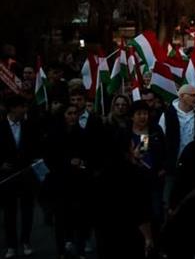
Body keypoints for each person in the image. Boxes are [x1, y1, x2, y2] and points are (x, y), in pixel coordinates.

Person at [42, 103, 94, 258]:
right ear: (63, 115)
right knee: (61, 219)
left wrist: (82, 162)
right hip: (60, 183)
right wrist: (68, 162)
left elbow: (89, 155)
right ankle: (62, 250)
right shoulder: (54, 135)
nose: (73, 116)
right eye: (69, 113)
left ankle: (80, 250)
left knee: (80, 218)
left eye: (75, 113)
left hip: (79, 182)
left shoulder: (82, 134)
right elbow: (49, 159)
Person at [93, 132, 154, 259]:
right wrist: (148, 237)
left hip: (107, 234)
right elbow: (141, 210)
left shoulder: (101, 175)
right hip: (128, 233)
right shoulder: (134, 174)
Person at [1, 95, 39, 258]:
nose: (25, 110)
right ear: (12, 108)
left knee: (27, 211)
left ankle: (26, 241)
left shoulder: (29, 125)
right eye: (22, 107)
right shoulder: (1, 126)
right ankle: (11, 245)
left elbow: (36, 147)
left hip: (26, 174)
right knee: (9, 212)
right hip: (8, 176)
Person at [158, 84, 195, 204]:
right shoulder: (167, 115)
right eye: (193, 95)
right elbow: (160, 140)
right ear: (182, 96)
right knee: (169, 200)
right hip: (172, 167)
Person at [128, 99, 167, 230]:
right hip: (133, 179)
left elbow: (164, 150)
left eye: (145, 113)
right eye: (139, 114)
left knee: (155, 212)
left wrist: (162, 168)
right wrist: (131, 156)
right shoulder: (125, 133)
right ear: (132, 116)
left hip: (153, 178)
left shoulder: (155, 130)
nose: (142, 117)